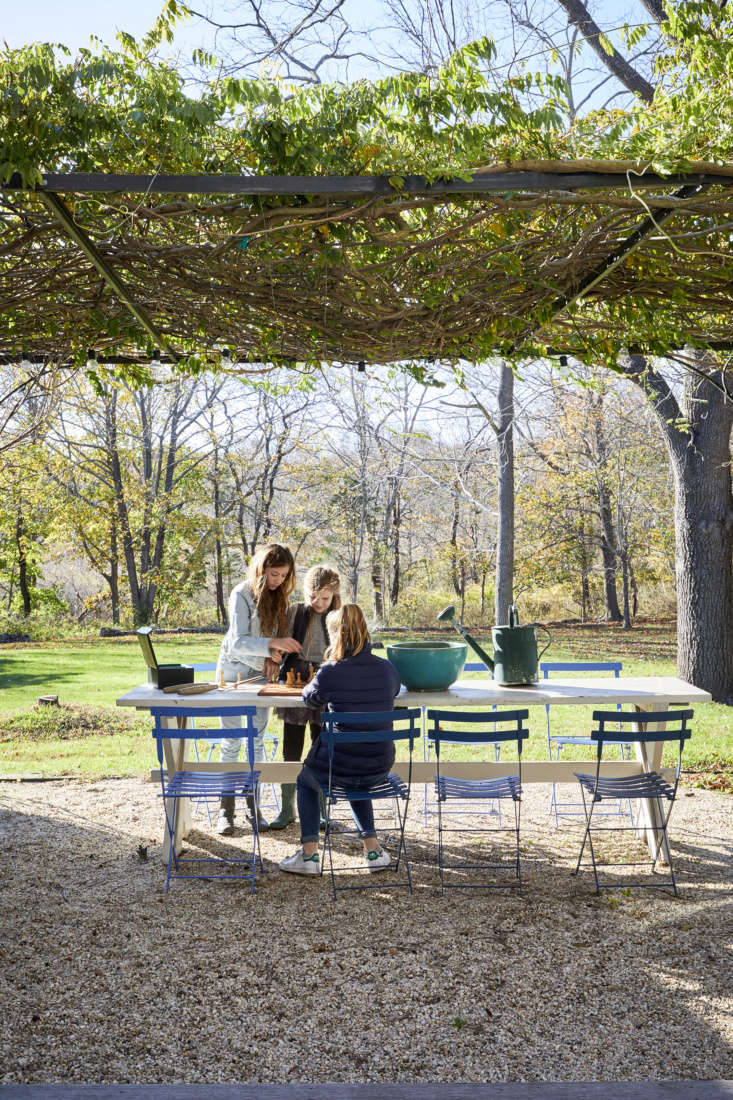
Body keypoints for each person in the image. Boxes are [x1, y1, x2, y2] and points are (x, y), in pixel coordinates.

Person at [279, 603, 401, 876]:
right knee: (357, 772)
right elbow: (394, 690)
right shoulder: (387, 669)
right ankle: (372, 850)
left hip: (340, 765)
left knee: (306, 781)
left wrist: (322, 672)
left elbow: (309, 698)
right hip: (378, 765)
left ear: (336, 636)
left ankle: (309, 856)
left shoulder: (331, 671)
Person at [216, 543, 301, 835]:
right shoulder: (241, 593)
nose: (277, 580)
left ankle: (254, 805)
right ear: (260, 568)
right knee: (232, 741)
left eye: (283, 576)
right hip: (232, 672)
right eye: (273, 573)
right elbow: (237, 642)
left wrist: (274, 657)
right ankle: (225, 811)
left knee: (257, 740)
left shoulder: (280, 599)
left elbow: (277, 641)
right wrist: (271, 646)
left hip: (261, 676)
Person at [268, 565, 342, 831]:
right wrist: (276, 654)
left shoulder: (339, 615)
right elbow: (280, 644)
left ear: (334, 595)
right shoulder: (295, 612)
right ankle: (287, 808)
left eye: (324, 598)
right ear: (305, 592)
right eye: (313, 596)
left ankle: (321, 809)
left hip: (326, 685)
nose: (318, 603)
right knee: (291, 749)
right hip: (295, 684)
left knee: (320, 749)